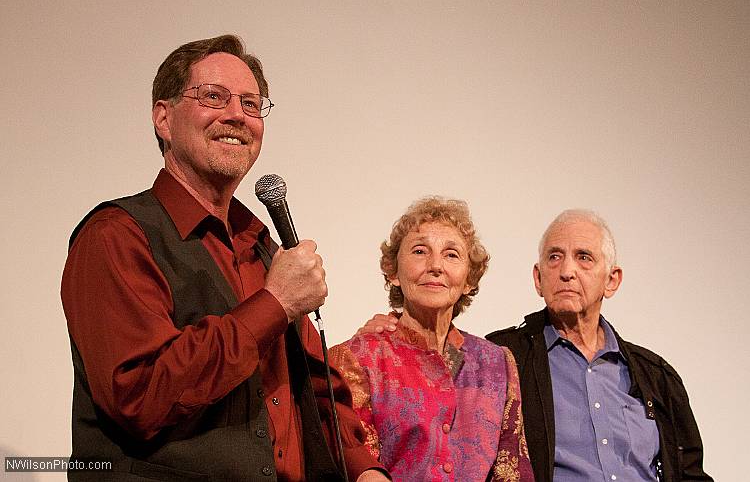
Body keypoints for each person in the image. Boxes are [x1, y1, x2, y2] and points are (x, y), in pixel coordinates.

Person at [61, 35, 387, 481]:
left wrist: (362, 470)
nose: (237, 114)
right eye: (213, 96)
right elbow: (137, 394)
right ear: (163, 118)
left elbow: (316, 388)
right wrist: (273, 304)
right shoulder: (117, 235)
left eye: (251, 104)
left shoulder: (262, 248)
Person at [365, 209, 712, 481]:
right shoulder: (500, 360)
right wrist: (393, 329)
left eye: (584, 258)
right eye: (554, 257)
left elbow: (690, 473)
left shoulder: (656, 376)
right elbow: (431, 378)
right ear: (538, 278)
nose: (567, 271)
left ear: (612, 280)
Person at [329, 197, 534, 482]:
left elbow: (511, 470)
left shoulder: (497, 362)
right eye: (419, 251)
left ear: (469, 280)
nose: (435, 265)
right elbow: (357, 463)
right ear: (393, 272)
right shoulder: (356, 359)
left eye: (451, 255)